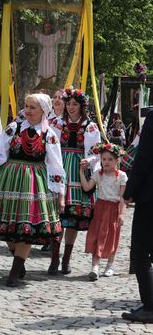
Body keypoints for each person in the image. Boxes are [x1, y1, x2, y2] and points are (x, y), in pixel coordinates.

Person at [0, 93, 66, 287]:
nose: (28, 111)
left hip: (34, 184)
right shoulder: (13, 128)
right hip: (8, 180)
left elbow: (56, 166)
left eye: (33, 107)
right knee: (7, 225)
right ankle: (19, 261)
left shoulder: (49, 135)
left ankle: (14, 272)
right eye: (26, 106)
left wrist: (60, 194)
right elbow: (1, 154)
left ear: (43, 111)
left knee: (26, 228)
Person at [48, 88, 101, 275]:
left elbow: (96, 151)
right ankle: (54, 257)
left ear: (82, 106)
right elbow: (49, 144)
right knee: (57, 216)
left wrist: (91, 161)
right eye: (68, 103)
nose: (71, 107)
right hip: (59, 168)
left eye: (74, 104)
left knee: (72, 218)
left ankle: (66, 259)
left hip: (78, 171)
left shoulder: (90, 126)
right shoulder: (56, 123)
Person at [121, 110, 153, 323]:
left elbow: (144, 157)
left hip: (151, 196)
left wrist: (129, 190)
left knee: (141, 253)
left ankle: (150, 307)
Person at [79, 142, 127, 281]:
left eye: (110, 159)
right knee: (97, 235)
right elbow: (87, 187)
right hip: (100, 208)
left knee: (112, 236)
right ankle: (95, 266)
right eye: (104, 159)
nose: (106, 162)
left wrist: (122, 213)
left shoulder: (122, 176)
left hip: (114, 208)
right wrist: (82, 172)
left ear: (117, 161)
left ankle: (110, 265)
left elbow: (123, 197)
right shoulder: (98, 174)